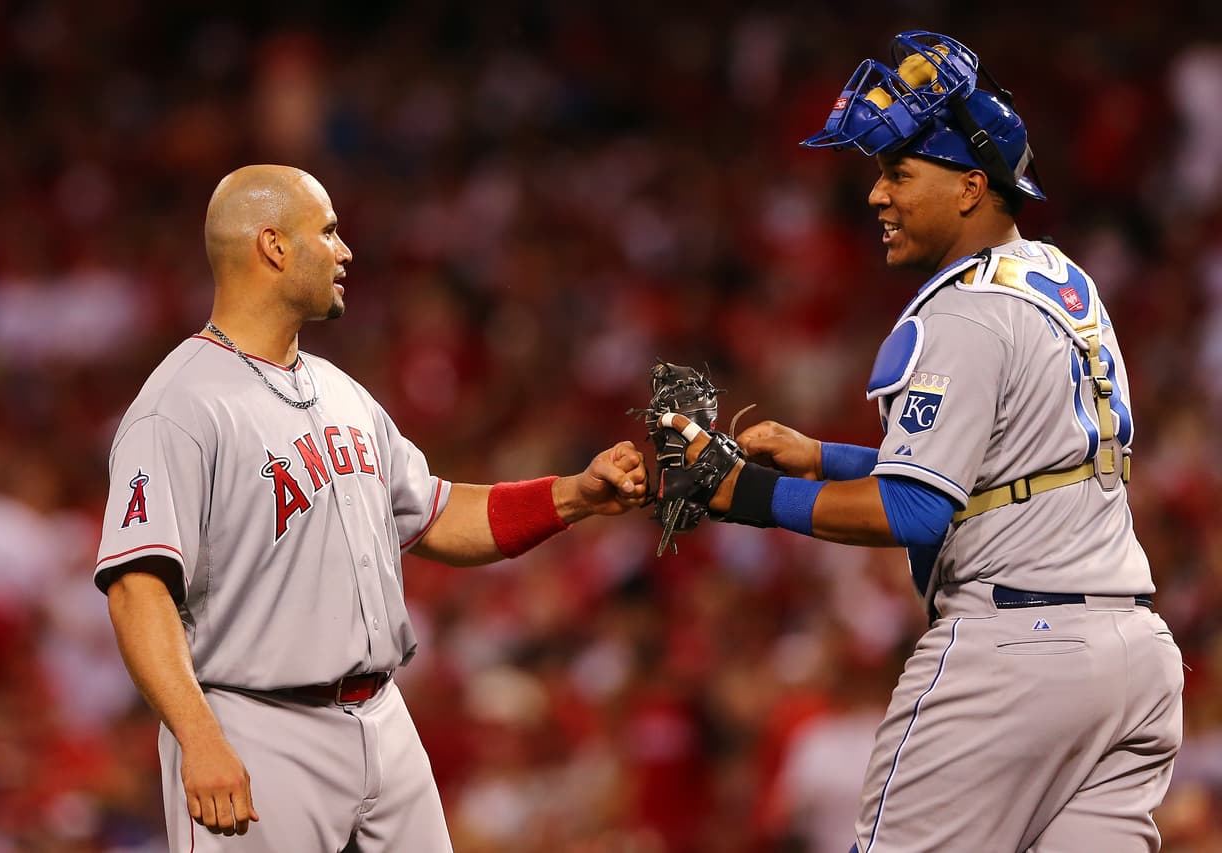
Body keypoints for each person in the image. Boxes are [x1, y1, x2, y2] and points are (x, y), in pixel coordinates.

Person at [663, 31, 1183, 852]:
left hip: (1014, 655)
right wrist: (826, 458)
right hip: (1135, 659)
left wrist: (737, 493)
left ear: (972, 186)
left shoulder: (963, 311)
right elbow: (1008, 475)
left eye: (899, 173)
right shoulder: (1060, 279)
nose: (877, 195)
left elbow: (913, 507)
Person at [94, 164, 648, 852]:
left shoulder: (341, 391)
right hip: (258, 725)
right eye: (327, 231)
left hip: (384, 718)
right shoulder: (180, 404)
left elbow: (437, 515)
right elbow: (137, 588)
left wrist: (573, 495)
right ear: (273, 246)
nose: (345, 250)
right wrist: (198, 734)